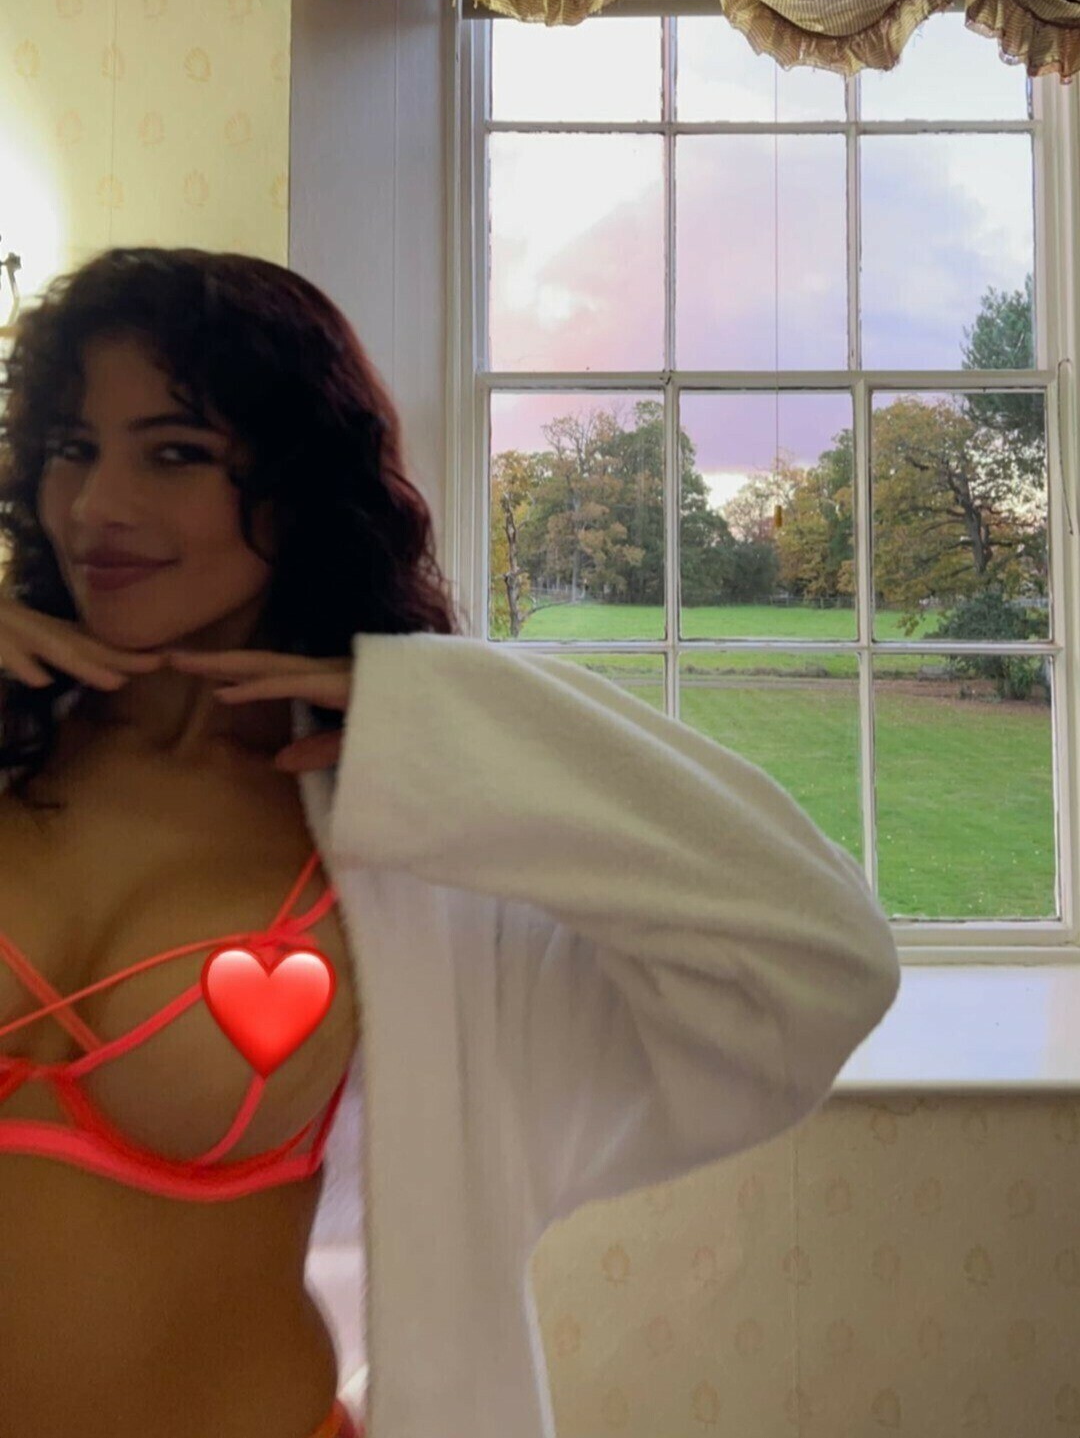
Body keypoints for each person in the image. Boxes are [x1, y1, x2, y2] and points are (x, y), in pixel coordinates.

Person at [0, 247, 902, 1438]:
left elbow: (822, 959)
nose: (96, 508)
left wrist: (453, 722)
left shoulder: (399, 843)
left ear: (298, 482)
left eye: (175, 453)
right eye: (72, 447)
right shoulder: (15, 749)